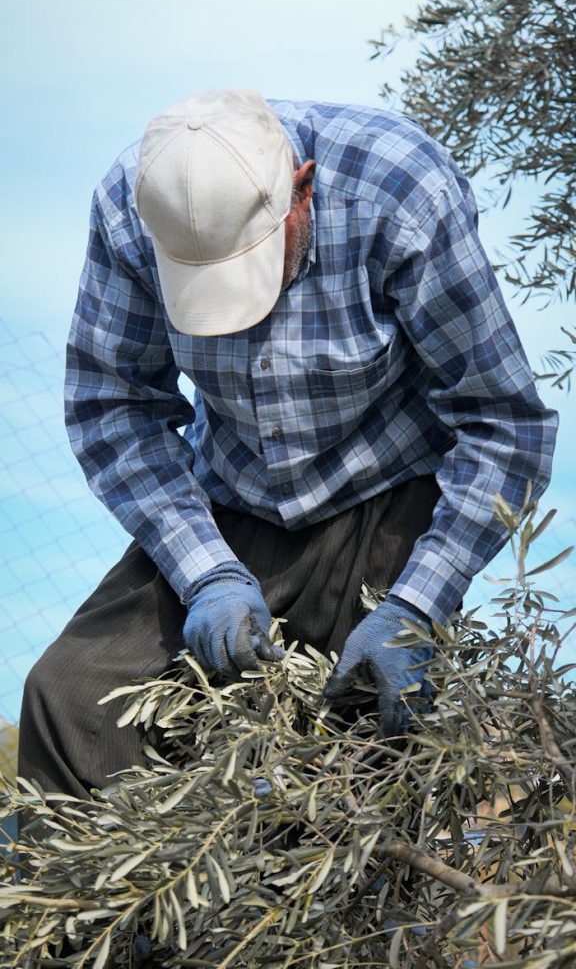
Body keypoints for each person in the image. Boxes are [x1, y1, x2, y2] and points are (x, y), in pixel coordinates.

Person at [18, 88, 557, 799]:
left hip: (388, 492)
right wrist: (206, 570)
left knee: (359, 756)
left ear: (300, 189)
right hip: (226, 502)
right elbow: (114, 408)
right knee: (69, 699)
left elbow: (503, 424)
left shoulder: (400, 194)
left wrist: (415, 606)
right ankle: (98, 908)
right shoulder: (131, 211)